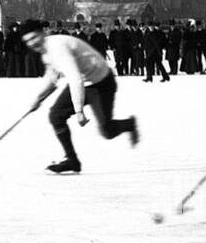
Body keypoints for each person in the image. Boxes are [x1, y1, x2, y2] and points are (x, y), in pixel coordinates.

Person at [19, 18, 139, 174]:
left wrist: (79, 111)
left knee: (107, 131)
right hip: (83, 81)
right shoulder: (46, 52)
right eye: (28, 41)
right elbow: (52, 77)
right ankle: (71, 160)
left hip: (101, 83)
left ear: (42, 33)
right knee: (56, 116)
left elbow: (74, 77)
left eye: (34, 37)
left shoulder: (57, 47)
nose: (32, 43)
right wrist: (39, 98)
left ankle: (129, 124)